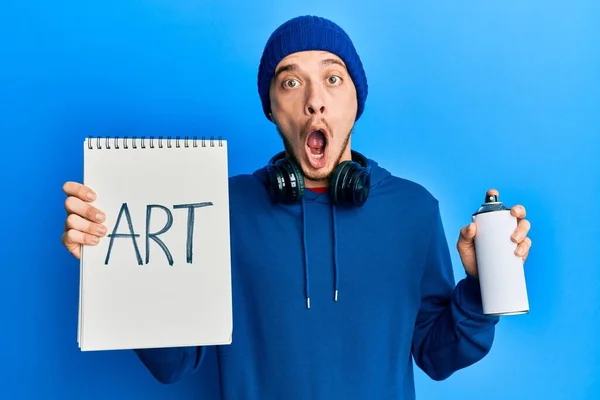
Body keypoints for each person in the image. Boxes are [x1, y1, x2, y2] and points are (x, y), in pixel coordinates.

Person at [61, 15, 532, 399]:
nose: (315, 102)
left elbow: (437, 356)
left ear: (356, 100)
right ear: (270, 105)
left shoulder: (414, 210)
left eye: (332, 78)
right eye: (291, 82)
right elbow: (176, 363)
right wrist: (116, 265)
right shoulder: (218, 208)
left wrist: (479, 289)